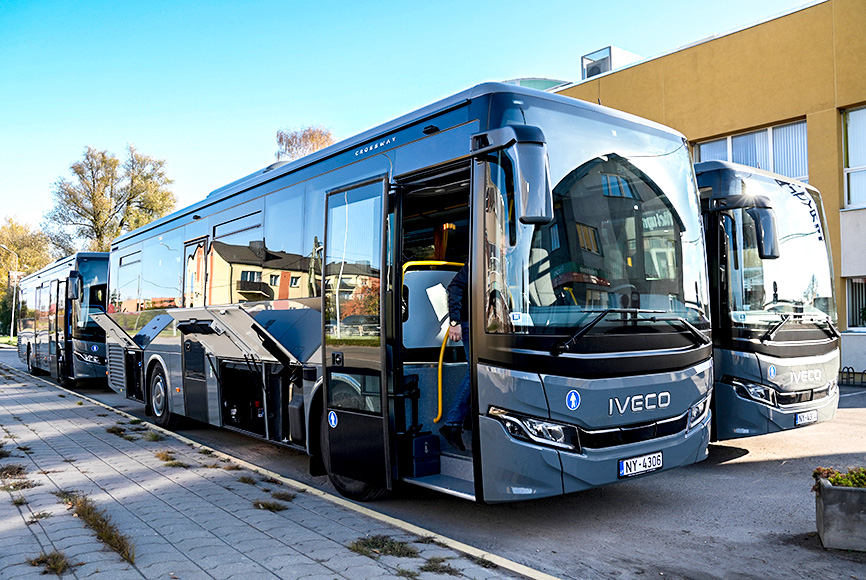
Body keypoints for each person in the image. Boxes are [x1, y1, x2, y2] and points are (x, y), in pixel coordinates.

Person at [440, 263, 470, 451]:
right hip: (471, 323)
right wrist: (455, 321)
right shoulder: (481, 258)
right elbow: (455, 287)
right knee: (476, 371)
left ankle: (463, 421)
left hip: (492, 323)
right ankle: (453, 423)